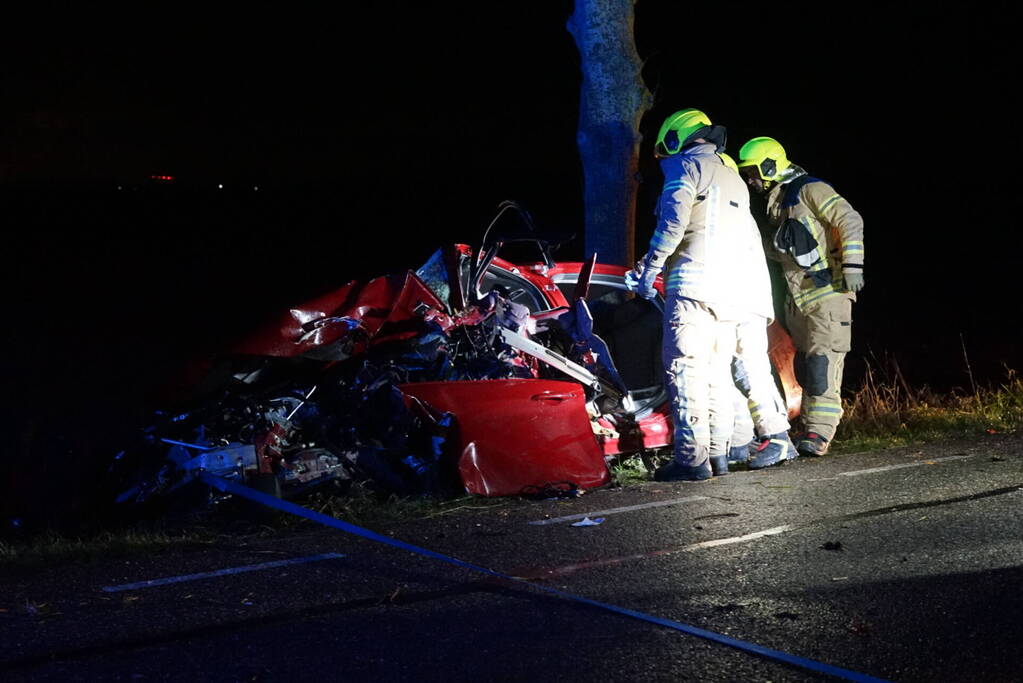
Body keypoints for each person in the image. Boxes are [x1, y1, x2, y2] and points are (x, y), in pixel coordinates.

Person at [628, 110, 791, 481]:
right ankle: (717, 455)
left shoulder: (685, 165)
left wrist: (650, 270)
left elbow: (673, 222)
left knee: (685, 369)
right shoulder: (732, 176)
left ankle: (691, 459)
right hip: (731, 293)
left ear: (676, 138)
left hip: (692, 287)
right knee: (717, 373)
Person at [736, 136, 865, 456]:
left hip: (828, 295)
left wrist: (852, 266)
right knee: (807, 368)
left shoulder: (809, 189)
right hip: (798, 300)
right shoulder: (777, 202)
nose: (750, 179)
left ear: (769, 165)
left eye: (752, 171)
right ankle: (807, 428)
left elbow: (849, 219)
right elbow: (784, 253)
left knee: (823, 364)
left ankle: (819, 433)